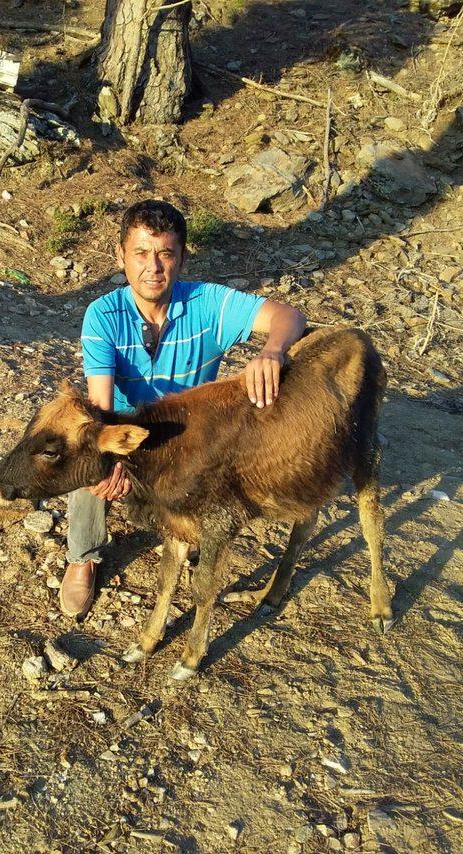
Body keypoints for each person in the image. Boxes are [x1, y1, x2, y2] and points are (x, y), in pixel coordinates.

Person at [59, 200, 306, 619]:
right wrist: (108, 457)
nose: (153, 267)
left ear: (181, 257)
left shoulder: (208, 303)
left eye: (165, 253)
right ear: (121, 256)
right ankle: (84, 555)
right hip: (124, 425)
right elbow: (100, 405)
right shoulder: (102, 315)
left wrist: (272, 350)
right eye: (140, 253)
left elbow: (288, 315)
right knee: (84, 456)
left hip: (186, 433)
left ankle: (188, 531)